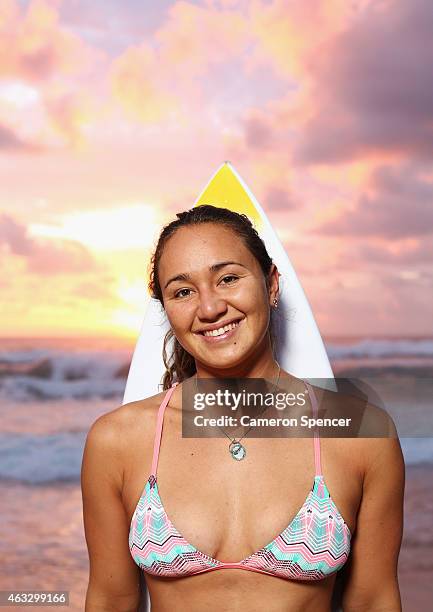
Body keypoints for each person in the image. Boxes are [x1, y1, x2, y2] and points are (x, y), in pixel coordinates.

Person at [81, 205, 405, 611]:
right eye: (183, 291)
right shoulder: (118, 441)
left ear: (271, 284)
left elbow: (374, 600)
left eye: (228, 278)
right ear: (166, 310)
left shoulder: (361, 434)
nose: (210, 308)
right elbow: (111, 600)